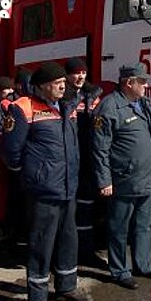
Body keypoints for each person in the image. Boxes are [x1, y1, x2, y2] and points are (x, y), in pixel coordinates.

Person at [1, 62, 92, 301]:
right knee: (41, 243)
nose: (64, 85)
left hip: (68, 187)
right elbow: (11, 151)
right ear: (42, 86)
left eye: (64, 81)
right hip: (43, 189)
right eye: (57, 82)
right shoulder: (23, 108)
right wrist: (30, 173)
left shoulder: (68, 107)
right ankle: (38, 298)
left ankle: (67, 286)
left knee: (68, 239)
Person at [91, 63, 151, 290]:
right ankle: (119, 270)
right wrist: (104, 180)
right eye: (142, 81)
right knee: (119, 228)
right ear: (128, 83)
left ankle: (143, 265)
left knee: (144, 225)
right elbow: (100, 148)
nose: (146, 84)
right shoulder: (110, 107)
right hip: (124, 180)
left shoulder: (145, 105)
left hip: (146, 179)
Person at [63, 57, 105, 267]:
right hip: (67, 163)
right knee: (68, 214)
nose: (80, 76)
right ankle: (66, 256)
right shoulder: (61, 97)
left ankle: (87, 252)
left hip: (88, 161)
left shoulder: (93, 96)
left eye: (83, 72)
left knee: (87, 210)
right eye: (75, 73)